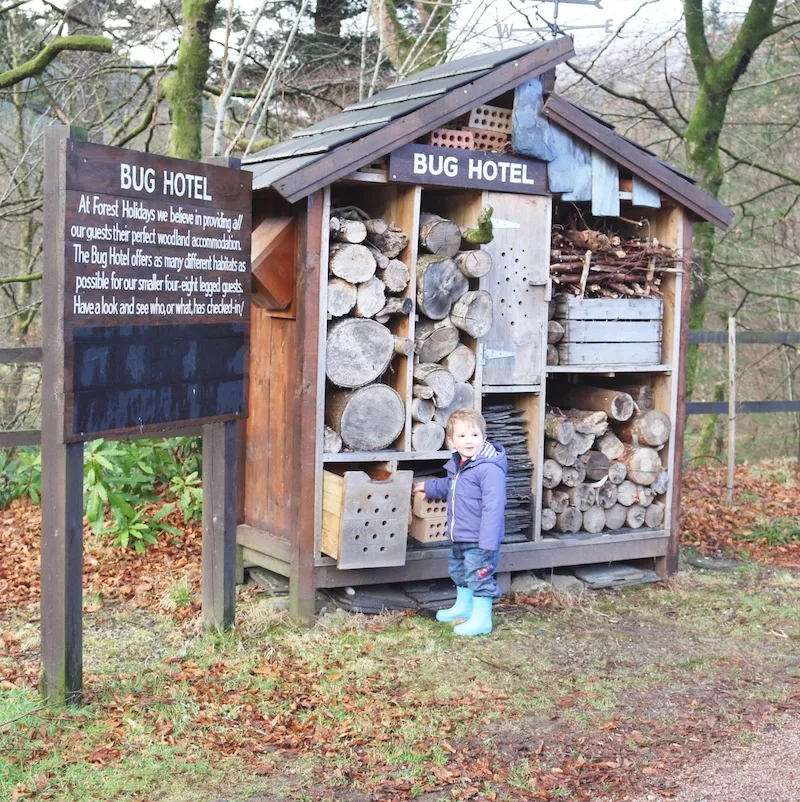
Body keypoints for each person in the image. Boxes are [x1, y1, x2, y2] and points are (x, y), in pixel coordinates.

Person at [412, 408, 507, 636]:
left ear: (484, 437)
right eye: (462, 436)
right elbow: (451, 486)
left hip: (480, 539)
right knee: (459, 572)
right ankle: (463, 608)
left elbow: (493, 507)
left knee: (479, 576)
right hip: (460, 535)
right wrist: (429, 487)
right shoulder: (460, 465)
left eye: (474, 435)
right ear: (451, 440)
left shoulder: (488, 469)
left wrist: (487, 542)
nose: (469, 441)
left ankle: (482, 619)